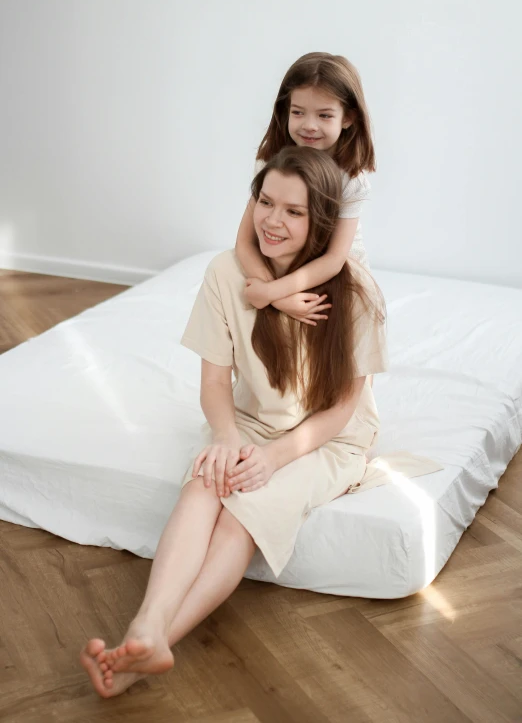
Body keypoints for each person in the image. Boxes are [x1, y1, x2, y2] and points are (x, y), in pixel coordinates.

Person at [80, 146, 388, 698]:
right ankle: (146, 627)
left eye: (293, 211)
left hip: (326, 438)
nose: (272, 219)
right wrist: (226, 438)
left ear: (320, 220)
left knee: (240, 513)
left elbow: (342, 409)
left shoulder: (355, 291)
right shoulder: (226, 272)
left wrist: (273, 457)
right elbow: (215, 384)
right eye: (265, 202)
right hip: (248, 420)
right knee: (206, 482)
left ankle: (145, 650)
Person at [236, 51, 375, 327]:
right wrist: (276, 296)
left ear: (347, 118)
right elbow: (244, 242)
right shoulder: (272, 162)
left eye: (324, 115)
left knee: (358, 326)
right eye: (298, 112)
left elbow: (335, 259)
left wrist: (272, 292)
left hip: (333, 275)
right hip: (280, 266)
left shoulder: (350, 178)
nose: (309, 126)